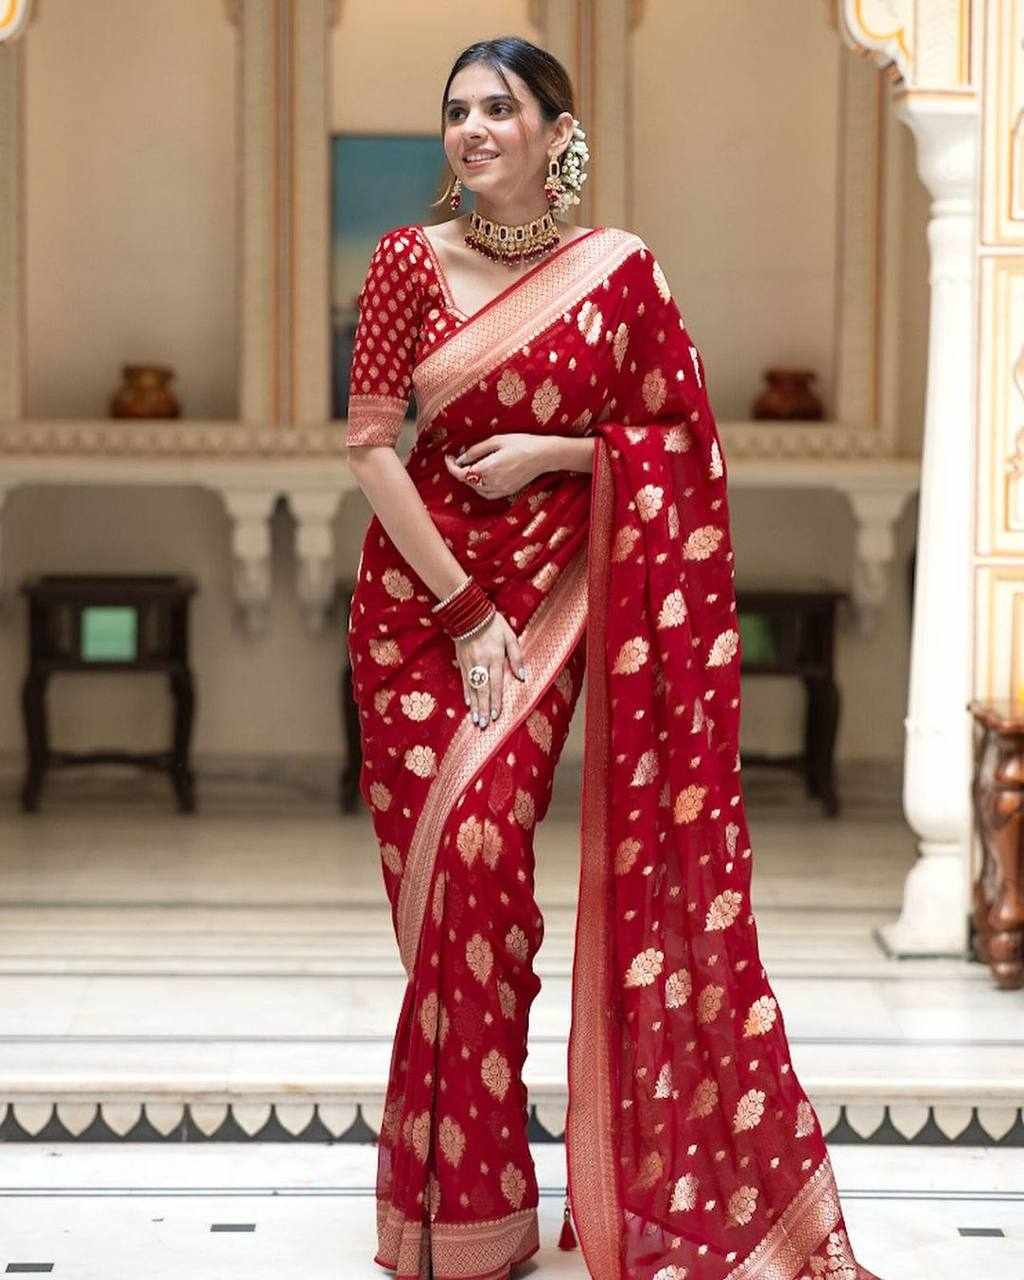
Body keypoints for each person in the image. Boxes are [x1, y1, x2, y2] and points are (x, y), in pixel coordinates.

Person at [344, 33, 881, 1280]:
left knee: (490, 864)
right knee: (451, 893)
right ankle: (457, 1214)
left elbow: (681, 446)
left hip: (553, 598)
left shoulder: (618, 272)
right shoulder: (407, 261)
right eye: (456, 110)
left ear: (556, 131)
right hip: (422, 608)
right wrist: (462, 609)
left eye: (499, 107)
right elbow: (371, 446)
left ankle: (481, 1206)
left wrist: (554, 455)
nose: (472, 128)